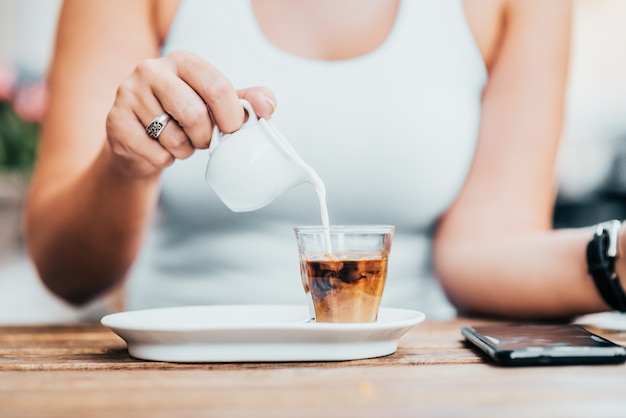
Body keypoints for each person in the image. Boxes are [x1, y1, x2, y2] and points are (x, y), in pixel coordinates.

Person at [24, 0, 624, 320]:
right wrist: (128, 164)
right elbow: (65, 271)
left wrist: (613, 260)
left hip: (418, 384)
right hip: (174, 380)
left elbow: (483, 251)